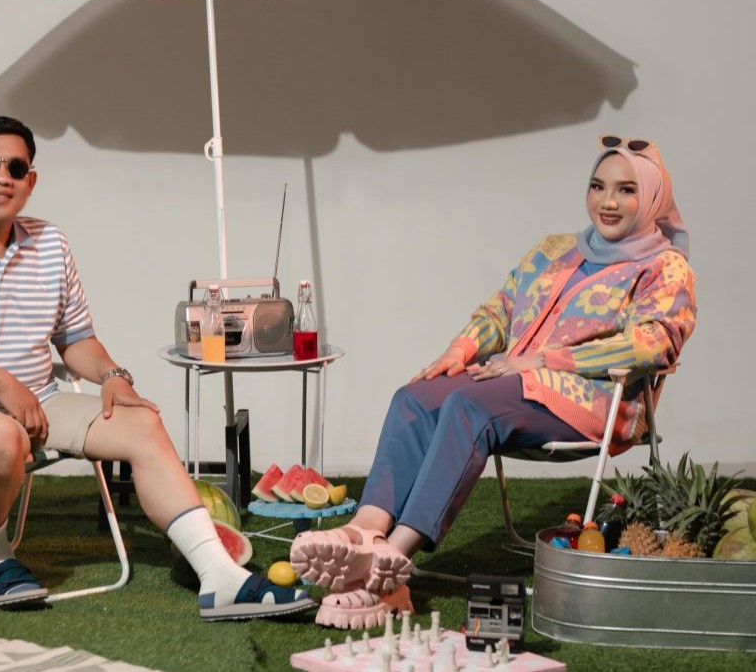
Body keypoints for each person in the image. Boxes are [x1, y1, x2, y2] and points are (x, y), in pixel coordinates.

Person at [0, 116, 314, 620]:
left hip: (38, 401)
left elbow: (76, 340)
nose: (2, 177)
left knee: (142, 422)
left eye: (16, 168)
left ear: (31, 181)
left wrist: (111, 375)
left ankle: (220, 577)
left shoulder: (50, 243)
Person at [289, 135, 696, 630]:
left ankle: (393, 563)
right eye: (598, 186)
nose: (608, 202)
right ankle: (364, 532)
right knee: (414, 398)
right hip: (511, 378)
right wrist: (458, 351)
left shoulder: (665, 267)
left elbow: (655, 343)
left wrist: (542, 361)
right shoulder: (554, 250)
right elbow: (500, 310)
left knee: (470, 407)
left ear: (651, 197)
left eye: (626, 190)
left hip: (592, 397)